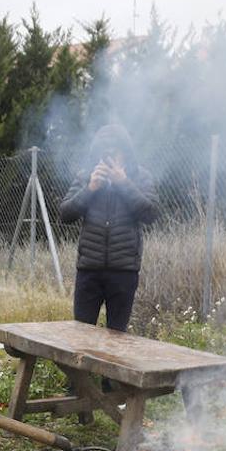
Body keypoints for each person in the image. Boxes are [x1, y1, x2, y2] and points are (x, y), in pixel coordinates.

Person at [56, 124, 159, 334]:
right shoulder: (87, 176)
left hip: (124, 271)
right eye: (104, 153)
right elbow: (65, 214)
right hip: (89, 270)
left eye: (114, 152)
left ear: (125, 152)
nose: (109, 158)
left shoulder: (140, 176)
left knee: (117, 337)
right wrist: (90, 188)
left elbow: (151, 214)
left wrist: (123, 183)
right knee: (82, 335)